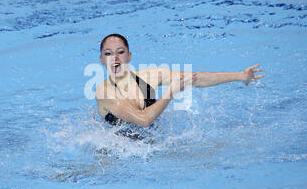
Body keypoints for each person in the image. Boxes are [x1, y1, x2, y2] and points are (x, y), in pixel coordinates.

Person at [95, 34, 265, 128]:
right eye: (108, 53)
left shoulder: (148, 77)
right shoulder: (104, 91)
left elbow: (196, 79)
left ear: (129, 56)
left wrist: (239, 76)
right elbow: (143, 120)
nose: (115, 58)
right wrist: (170, 92)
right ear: (102, 59)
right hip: (120, 156)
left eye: (120, 52)